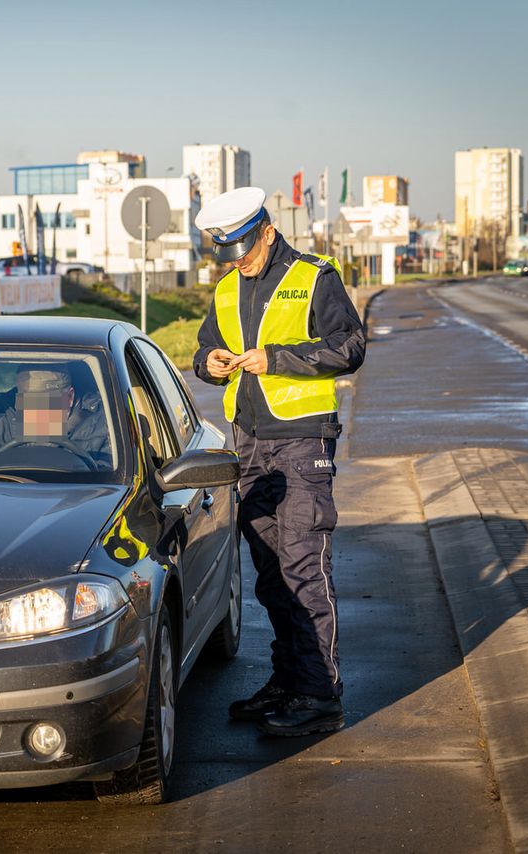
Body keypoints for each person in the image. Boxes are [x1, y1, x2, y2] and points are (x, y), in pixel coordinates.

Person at [192, 186, 365, 737]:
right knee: (270, 572)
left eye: (242, 248)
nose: (236, 261)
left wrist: (279, 359)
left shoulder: (315, 276)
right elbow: (202, 350)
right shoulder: (226, 289)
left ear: (267, 231)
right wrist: (210, 364)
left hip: (300, 441)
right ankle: (289, 680)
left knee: (302, 568)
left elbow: (351, 347)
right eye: (225, 253)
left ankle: (319, 695)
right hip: (249, 444)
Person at [0, 367, 110, 468]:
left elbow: (112, 485)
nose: (37, 411)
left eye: (47, 402)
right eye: (28, 403)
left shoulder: (107, 429)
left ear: (70, 397)